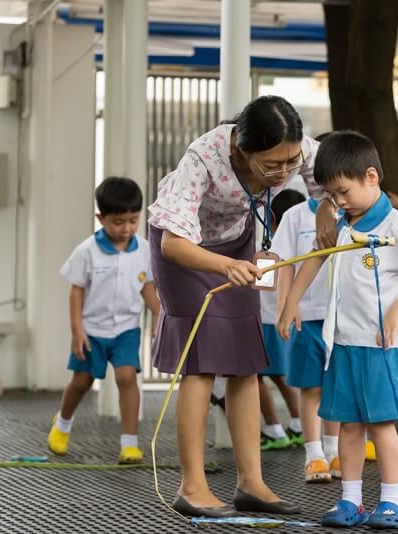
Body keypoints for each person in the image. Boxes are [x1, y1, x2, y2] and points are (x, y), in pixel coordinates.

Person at [147, 95, 335, 518]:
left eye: (290, 163)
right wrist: (225, 265)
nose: (283, 172)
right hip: (187, 253)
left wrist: (325, 206)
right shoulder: (204, 157)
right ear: (241, 148)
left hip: (237, 244)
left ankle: (252, 483)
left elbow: (326, 181)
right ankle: (192, 487)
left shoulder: (298, 148)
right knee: (201, 364)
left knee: (245, 362)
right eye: (271, 165)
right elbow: (172, 242)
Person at [278, 130, 398, 528]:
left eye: (343, 192)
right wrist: (291, 301)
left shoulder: (396, 225)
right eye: (331, 196)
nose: (338, 201)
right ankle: (350, 499)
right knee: (350, 425)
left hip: (382, 346)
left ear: (371, 177)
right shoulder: (343, 221)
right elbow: (317, 257)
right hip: (344, 344)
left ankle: (393, 500)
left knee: (382, 425)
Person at [47, 177, 160, 464]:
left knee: (126, 378)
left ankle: (129, 444)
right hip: (92, 331)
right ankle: (61, 425)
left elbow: (147, 286)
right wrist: (77, 331)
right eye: (118, 222)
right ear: (101, 218)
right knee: (82, 381)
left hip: (126, 329)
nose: (126, 229)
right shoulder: (87, 250)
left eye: (133, 220)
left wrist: (159, 314)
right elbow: (76, 292)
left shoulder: (144, 250)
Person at [271, 190, 342, 482]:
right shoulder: (294, 216)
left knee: (336, 386)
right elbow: (285, 263)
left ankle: (335, 450)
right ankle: (314, 455)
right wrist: (286, 305)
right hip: (307, 317)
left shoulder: (353, 215)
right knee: (311, 388)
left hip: (341, 319)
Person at [257, 190, 305, 451]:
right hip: (280, 318)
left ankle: (276, 429)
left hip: (266, 319)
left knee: (254, 376)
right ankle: (296, 425)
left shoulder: (271, 246)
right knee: (280, 375)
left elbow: (262, 286)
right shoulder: (304, 245)